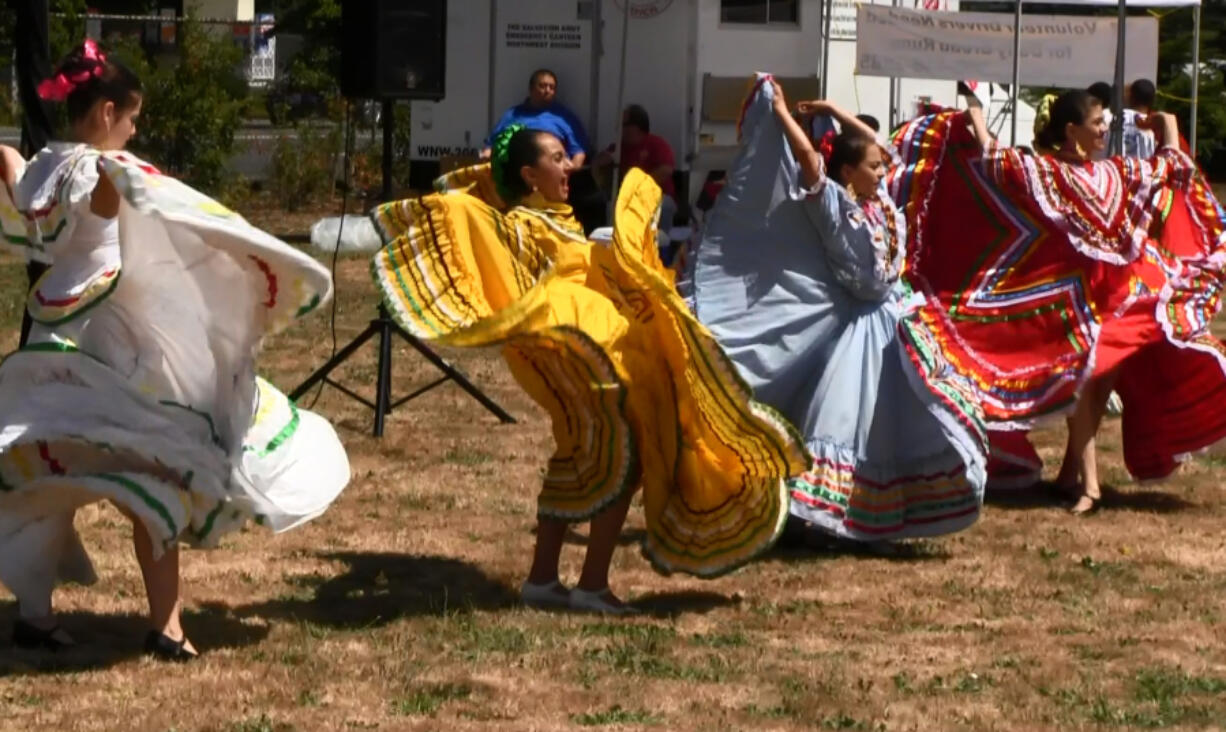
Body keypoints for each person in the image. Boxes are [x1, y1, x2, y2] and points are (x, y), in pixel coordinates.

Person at [0, 41, 350, 658]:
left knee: (49, 467)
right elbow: (130, 208)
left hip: (49, 339)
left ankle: (36, 610)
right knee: (152, 473)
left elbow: (17, 185)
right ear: (107, 112)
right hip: (110, 343)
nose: (135, 129)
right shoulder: (98, 171)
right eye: (132, 118)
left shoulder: (41, 164)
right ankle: (166, 626)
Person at [371, 124, 805, 613]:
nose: (568, 166)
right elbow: (467, 215)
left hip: (588, 347)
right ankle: (592, 584)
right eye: (556, 159)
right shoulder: (519, 225)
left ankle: (543, 580)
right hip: (573, 350)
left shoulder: (557, 218)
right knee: (630, 448)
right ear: (530, 174)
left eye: (565, 157)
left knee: (584, 450)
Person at [892, 88, 1226, 515]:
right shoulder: (1056, 173)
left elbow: (1172, 168)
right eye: (1097, 123)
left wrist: (1165, 125)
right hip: (1076, 305)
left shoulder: (1108, 174)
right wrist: (973, 116)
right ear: (1072, 131)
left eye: (1105, 121)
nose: (1105, 129)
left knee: (1096, 384)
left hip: (1117, 301)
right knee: (1086, 384)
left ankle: (1073, 476)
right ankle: (1089, 485)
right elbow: (996, 161)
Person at [685, 76, 988, 544]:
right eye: (871, 165)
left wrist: (833, 108)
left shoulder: (881, 199)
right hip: (859, 327)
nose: (882, 167)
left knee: (903, 418)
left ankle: (886, 511)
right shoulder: (830, 204)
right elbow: (809, 159)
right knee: (851, 419)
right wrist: (784, 113)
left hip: (894, 318)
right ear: (848, 172)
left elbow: (881, 147)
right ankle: (826, 517)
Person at [481, 69, 589, 168]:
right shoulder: (513, 114)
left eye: (552, 87)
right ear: (531, 88)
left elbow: (579, 153)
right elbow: (491, 145)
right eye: (542, 86)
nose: (547, 90)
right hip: (514, 169)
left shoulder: (565, 117)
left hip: (549, 172)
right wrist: (487, 157)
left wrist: (570, 171)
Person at [596, 104, 678, 228]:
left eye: (624, 124)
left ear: (637, 126)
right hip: (626, 199)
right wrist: (600, 162)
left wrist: (638, 189)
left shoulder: (656, 144)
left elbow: (666, 170)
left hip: (657, 196)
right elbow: (597, 167)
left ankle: (662, 244)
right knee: (610, 205)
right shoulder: (618, 147)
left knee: (662, 206)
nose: (620, 128)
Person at [1123, 78, 1158, 159]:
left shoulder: (1115, 118)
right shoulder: (1156, 127)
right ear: (1153, 101)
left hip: (1114, 168)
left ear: (1130, 96)